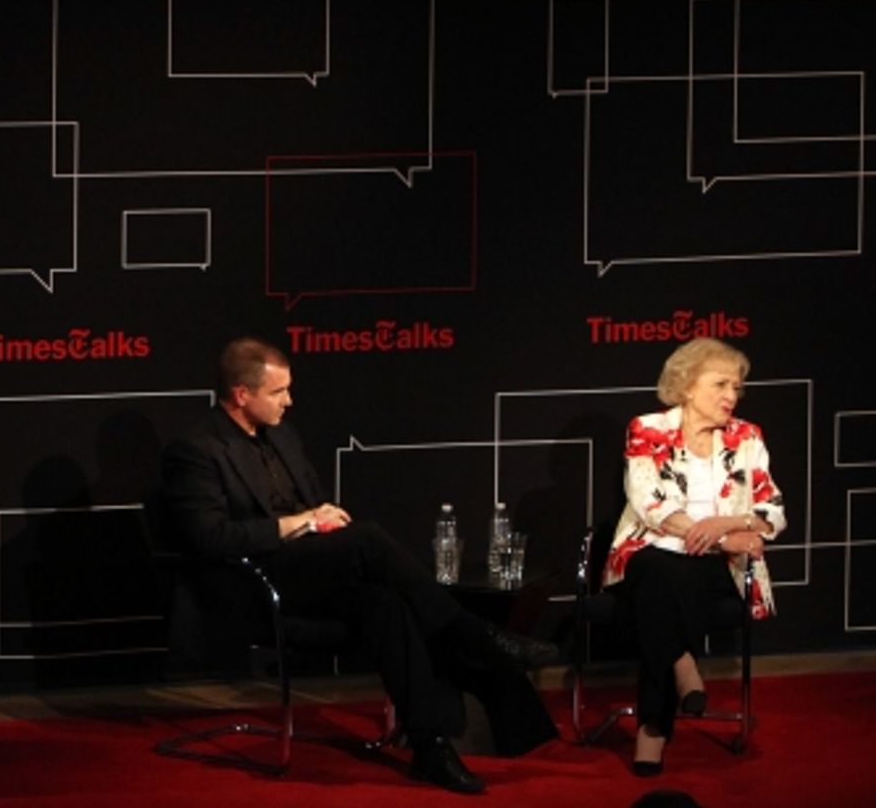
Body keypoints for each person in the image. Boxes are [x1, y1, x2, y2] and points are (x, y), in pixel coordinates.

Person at [160, 337, 559, 795]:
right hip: (252, 582)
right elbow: (208, 538)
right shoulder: (196, 450)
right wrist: (301, 521)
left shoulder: (283, 437)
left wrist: (321, 516)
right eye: (277, 392)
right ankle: (473, 635)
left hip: (310, 569)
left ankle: (430, 746)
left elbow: (311, 505)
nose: (289, 401)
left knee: (386, 603)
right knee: (368, 540)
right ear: (241, 394)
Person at [602, 338, 786, 777]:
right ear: (686, 386)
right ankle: (684, 666)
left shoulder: (747, 437)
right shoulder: (647, 428)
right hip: (655, 551)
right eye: (721, 384)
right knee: (657, 570)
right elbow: (650, 504)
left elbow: (772, 510)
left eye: (737, 387)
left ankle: (654, 726)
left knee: (661, 591)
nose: (732, 396)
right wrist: (726, 538)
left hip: (718, 568)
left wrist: (723, 528)